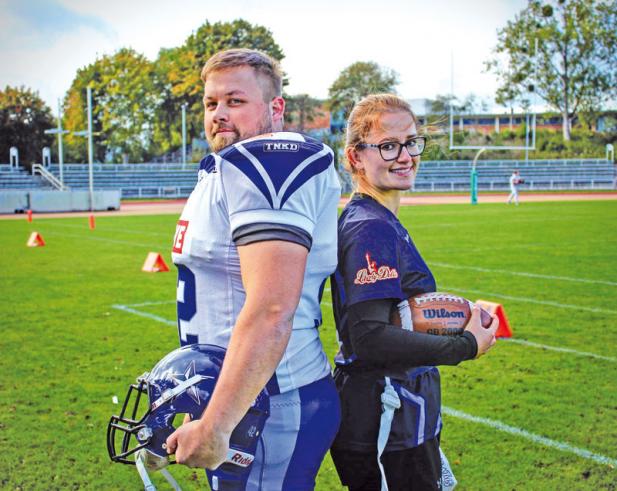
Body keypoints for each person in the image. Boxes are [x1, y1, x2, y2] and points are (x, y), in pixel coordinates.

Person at [166, 48, 341, 490]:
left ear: (275, 107)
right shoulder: (224, 169)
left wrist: (216, 426)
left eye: (235, 101)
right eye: (211, 104)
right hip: (243, 395)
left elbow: (271, 310)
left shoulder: (269, 161)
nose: (219, 114)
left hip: (272, 402)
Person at [329, 94, 498, 491]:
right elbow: (369, 338)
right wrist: (466, 346)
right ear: (356, 157)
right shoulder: (370, 227)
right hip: (385, 415)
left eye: (411, 142)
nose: (405, 155)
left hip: (400, 411)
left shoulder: (378, 218)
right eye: (388, 145)